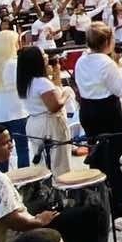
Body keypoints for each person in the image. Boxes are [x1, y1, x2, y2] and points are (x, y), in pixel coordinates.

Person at [73, 23, 122, 211]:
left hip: (88, 109)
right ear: (107, 42)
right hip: (107, 111)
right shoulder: (105, 63)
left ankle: (102, 196)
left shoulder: (81, 60)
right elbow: (120, 90)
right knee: (120, 152)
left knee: (99, 155)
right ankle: (121, 198)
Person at [19, 43, 76, 176]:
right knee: (59, 163)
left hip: (35, 121)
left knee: (43, 162)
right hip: (49, 123)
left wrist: (55, 72)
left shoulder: (26, 81)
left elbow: (52, 92)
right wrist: (66, 94)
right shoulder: (41, 82)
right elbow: (54, 106)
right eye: (43, 55)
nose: (46, 56)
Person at [0, 28, 27, 166]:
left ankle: (3, 176)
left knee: (1, 150)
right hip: (18, 111)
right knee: (22, 148)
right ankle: (24, 179)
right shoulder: (16, 64)